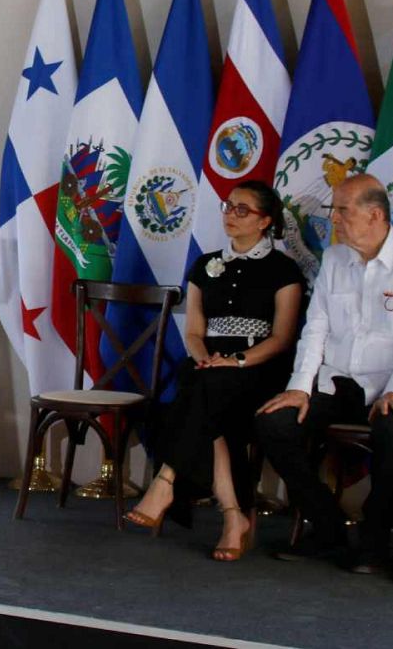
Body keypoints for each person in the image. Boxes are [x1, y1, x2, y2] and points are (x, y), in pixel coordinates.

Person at [255, 172, 393, 572]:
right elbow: (316, 329)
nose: (334, 219)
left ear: (375, 214)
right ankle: (328, 526)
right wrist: (300, 388)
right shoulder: (335, 257)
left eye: (342, 210)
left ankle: (377, 540)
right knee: (275, 424)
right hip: (339, 382)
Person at [122, 181, 304, 561]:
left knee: (202, 393)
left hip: (260, 366)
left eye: (243, 210)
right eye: (228, 206)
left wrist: (237, 361)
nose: (230, 215)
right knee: (207, 394)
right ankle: (233, 517)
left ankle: (166, 479)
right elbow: (193, 331)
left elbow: (282, 339)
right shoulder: (206, 264)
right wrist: (205, 356)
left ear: (265, 220)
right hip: (209, 365)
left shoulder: (284, 270)